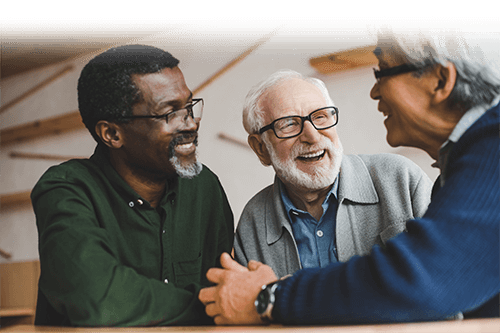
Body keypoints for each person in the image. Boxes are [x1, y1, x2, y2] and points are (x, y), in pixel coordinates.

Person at [198, 23, 500, 325]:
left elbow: (428, 279)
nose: (374, 90)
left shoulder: (492, 149)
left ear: (440, 81)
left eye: (381, 71)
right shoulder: (469, 157)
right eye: (289, 124)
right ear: (260, 148)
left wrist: (268, 296)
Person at [31, 44, 234, 327]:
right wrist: (210, 305)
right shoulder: (65, 188)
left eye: (188, 106)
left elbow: (226, 285)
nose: (190, 123)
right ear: (112, 133)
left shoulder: (204, 186)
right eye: (169, 113)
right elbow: (97, 298)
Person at [234, 69, 433, 280]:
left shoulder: (400, 179)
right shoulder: (253, 220)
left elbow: (453, 279)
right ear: (261, 148)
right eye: (289, 124)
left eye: (320, 117)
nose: (312, 135)